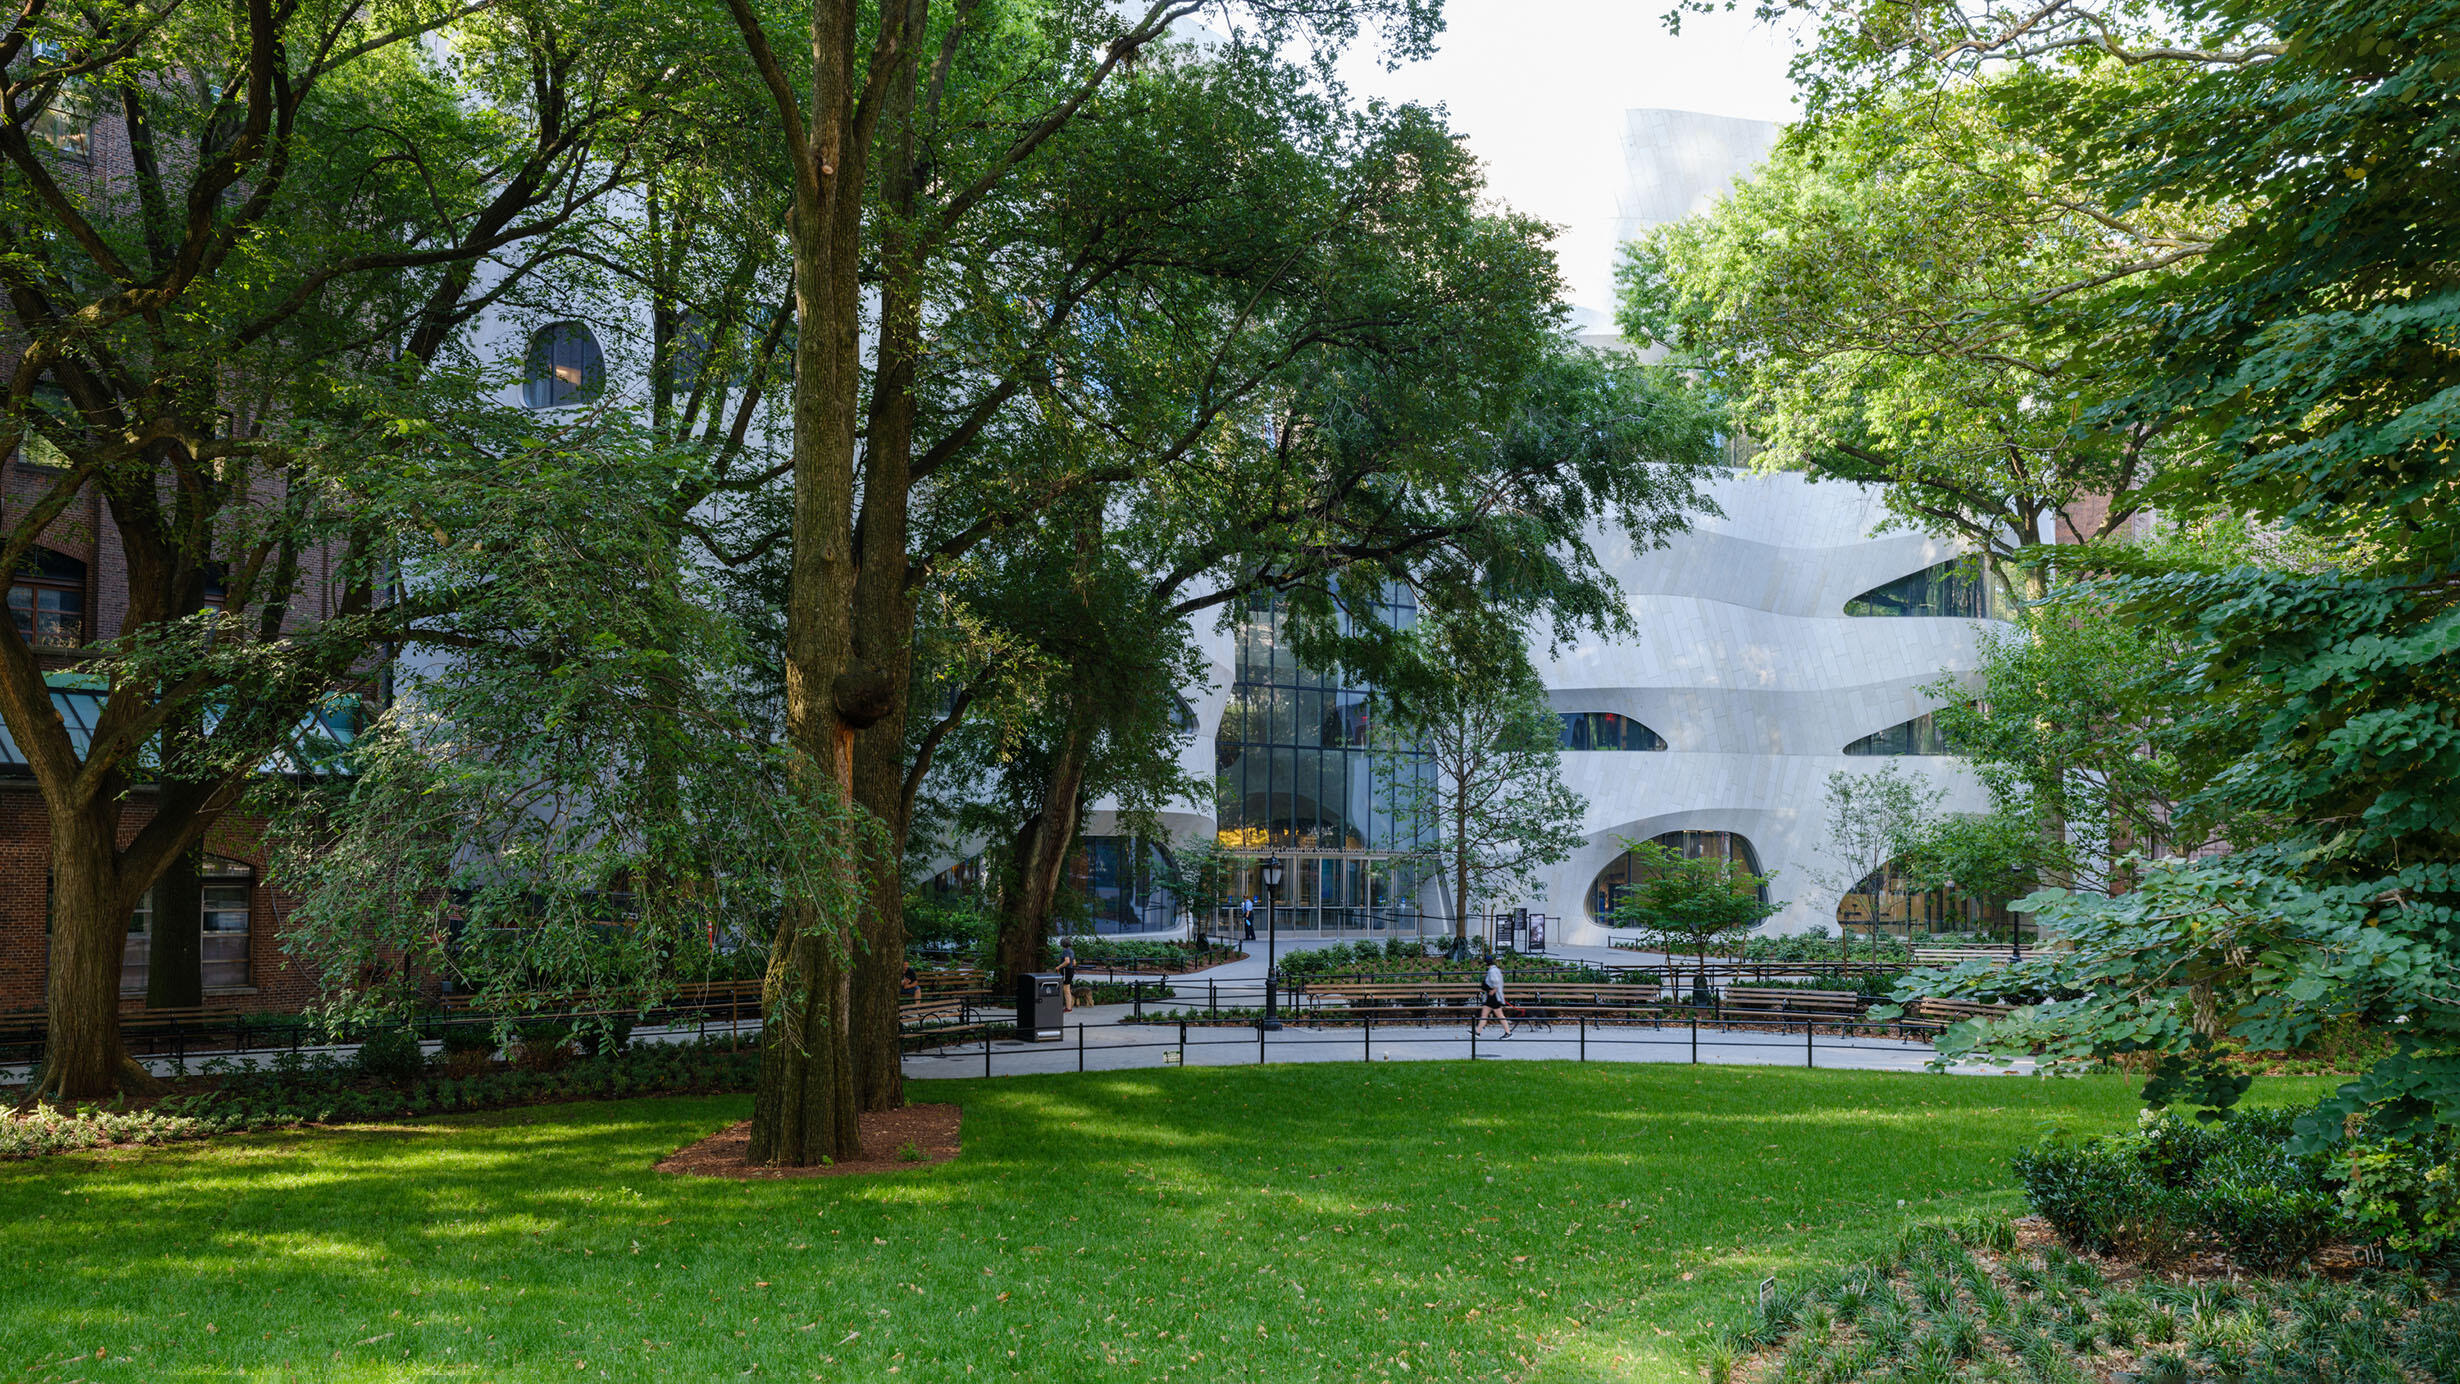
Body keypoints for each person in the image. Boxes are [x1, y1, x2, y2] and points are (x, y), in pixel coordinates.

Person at [1476, 957, 1513, 1039]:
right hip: (1492, 997)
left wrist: (1494, 989)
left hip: (1494, 997)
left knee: (1499, 1015)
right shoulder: (1496, 969)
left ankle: (1508, 1033)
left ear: (1486, 963)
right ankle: (1477, 1032)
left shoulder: (1492, 971)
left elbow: (1495, 981)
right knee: (1484, 1014)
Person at [1058, 940, 1078, 1012]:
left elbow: (1067, 961)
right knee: (1067, 989)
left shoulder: (1065, 951)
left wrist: (1059, 967)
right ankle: (1068, 1007)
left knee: (1066, 989)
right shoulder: (1072, 951)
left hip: (1066, 970)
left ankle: (1068, 1008)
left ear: (1062, 945)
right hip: (1071, 970)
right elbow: (1074, 963)